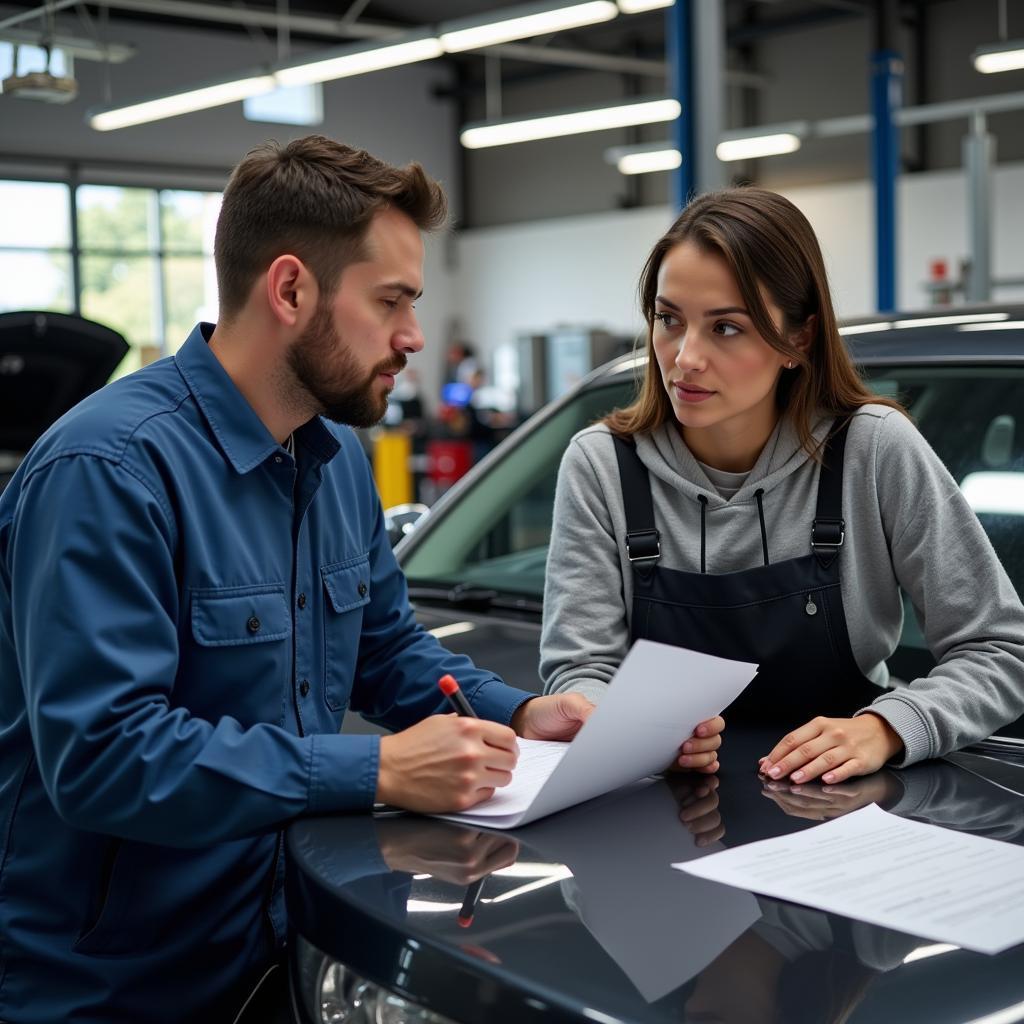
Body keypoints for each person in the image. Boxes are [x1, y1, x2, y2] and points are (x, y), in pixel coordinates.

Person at [0, 135, 590, 1021]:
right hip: (113, 987)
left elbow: (385, 650)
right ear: (289, 290)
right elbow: (105, 755)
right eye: (391, 300)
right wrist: (379, 768)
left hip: (282, 945)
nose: (413, 337)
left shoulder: (337, 459)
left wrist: (519, 710)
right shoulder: (108, 471)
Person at [541, 186, 1024, 785]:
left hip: (840, 808)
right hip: (654, 809)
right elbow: (581, 670)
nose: (684, 357)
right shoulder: (601, 466)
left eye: (726, 328)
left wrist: (890, 727)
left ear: (798, 339)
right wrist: (612, 724)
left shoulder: (872, 450)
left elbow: (1000, 650)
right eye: (669, 320)